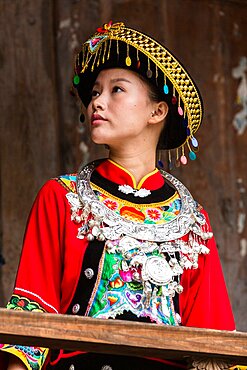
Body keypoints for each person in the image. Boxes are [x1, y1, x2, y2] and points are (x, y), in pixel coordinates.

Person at [0, 21, 235, 370]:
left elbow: (214, 347)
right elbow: (30, 320)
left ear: (157, 111)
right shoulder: (62, 198)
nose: (98, 101)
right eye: (95, 92)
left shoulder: (193, 222)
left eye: (117, 90)